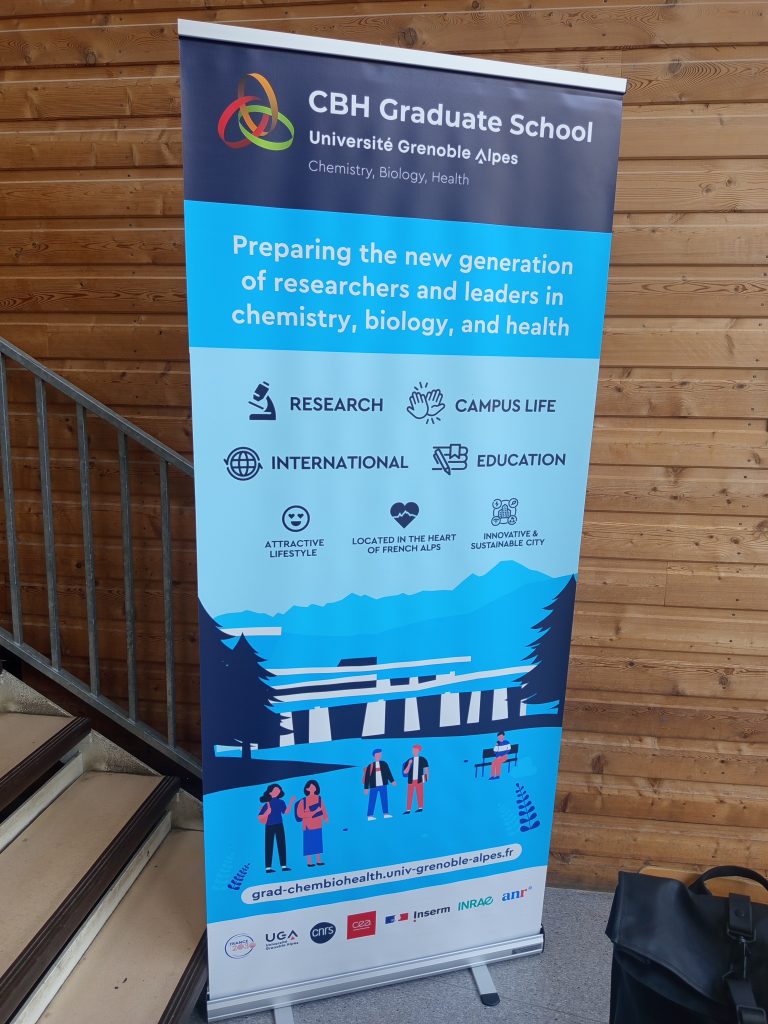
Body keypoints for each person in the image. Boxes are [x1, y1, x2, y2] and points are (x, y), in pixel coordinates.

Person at [258, 783, 295, 872]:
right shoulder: (267, 803)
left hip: (279, 824)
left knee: (281, 844)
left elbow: (286, 812)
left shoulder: (281, 802)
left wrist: (291, 802)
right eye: (275, 790)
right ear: (270, 792)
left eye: (278, 790)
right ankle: (268, 867)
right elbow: (259, 817)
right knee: (269, 845)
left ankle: (283, 866)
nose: (277, 791)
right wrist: (267, 812)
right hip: (269, 825)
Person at [295, 778, 329, 867]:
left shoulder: (319, 799)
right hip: (307, 826)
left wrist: (326, 818)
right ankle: (309, 862)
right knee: (309, 844)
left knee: (318, 843)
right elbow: (300, 814)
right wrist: (313, 812)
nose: (312, 788)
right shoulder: (303, 801)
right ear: (307, 789)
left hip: (318, 825)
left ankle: (318, 860)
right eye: (310, 787)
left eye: (314, 787)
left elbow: (323, 809)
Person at [363, 748, 396, 820]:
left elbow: (388, 773)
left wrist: (392, 781)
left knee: (384, 799)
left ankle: (386, 814)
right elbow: (367, 778)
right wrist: (366, 788)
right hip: (373, 786)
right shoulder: (370, 766)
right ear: (374, 756)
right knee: (372, 800)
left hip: (383, 785)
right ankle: (370, 815)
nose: (379, 756)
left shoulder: (384, 763)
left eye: (380, 754)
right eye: (377, 754)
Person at [402, 743, 429, 813]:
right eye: (413, 750)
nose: (414, 751)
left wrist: (425, 779)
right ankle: (408, 809)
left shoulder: (423, 759)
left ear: (419, 750)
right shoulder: (409, 760)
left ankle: (420, 808)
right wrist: (409, 764)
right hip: (410, 781)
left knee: (420, 794)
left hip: (420, 780)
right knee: (409, 795)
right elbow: (405, 772)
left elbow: (426, 769)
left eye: (415, 750)